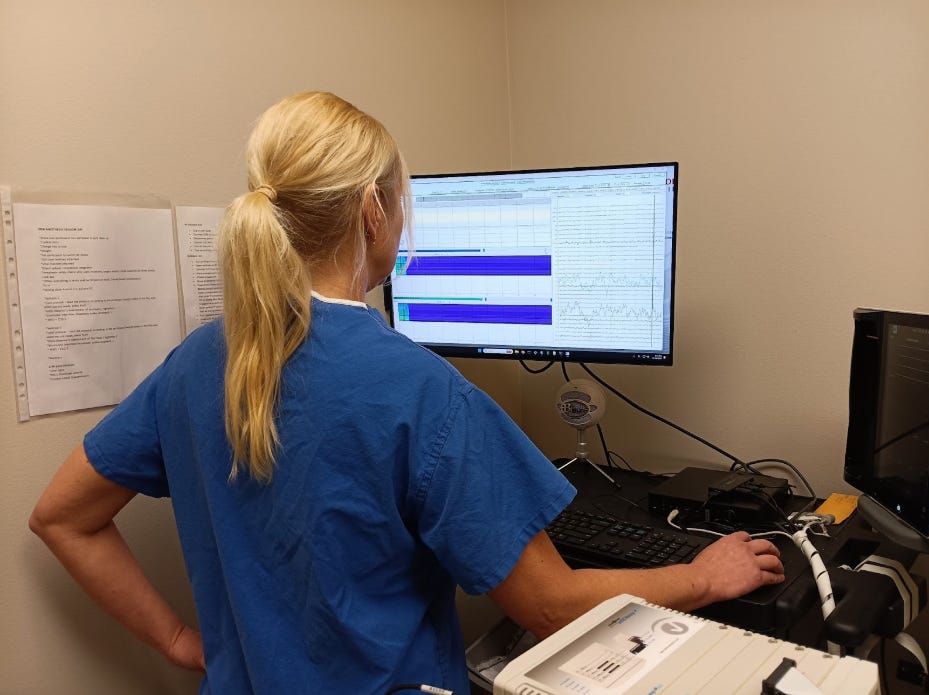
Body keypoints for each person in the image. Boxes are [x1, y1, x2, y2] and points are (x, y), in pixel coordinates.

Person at [29, 91, 784, 695]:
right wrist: (700, 573)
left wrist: (177, 641)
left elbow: (62, 517)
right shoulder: (421, 391)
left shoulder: (197, 360)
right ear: (371, 209)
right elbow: (546, 603)